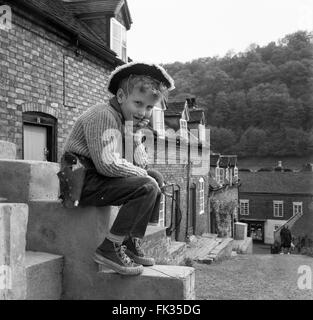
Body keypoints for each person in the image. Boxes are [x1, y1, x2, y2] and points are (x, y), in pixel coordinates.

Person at [62, 62, 175, 275]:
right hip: (79, 181)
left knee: (155, 178)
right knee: (148, 185)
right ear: (121, 96)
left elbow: (139, 166)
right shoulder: (103, 115)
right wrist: (143, 176)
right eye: (138, 103)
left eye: (149, 107)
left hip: (96, 177)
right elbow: (108, 165)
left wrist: (134, 137)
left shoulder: (124, 121)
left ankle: (129, 241)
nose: (144, 112)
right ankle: (109, 247)